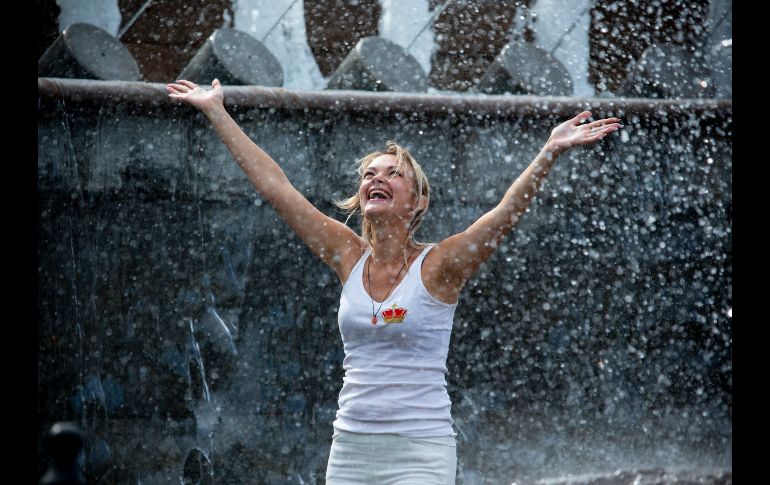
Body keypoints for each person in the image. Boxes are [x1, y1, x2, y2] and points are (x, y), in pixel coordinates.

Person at [167, 78, 622, 484]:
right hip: (350, 448)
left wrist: (549, 151)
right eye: (369, 174)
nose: (375, 179)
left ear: (418, 201)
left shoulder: (441, 266)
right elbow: (276, 188)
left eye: (391, 173)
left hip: (420, 450)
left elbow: (504, 214)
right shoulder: (346, 255)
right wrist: (216, 110)